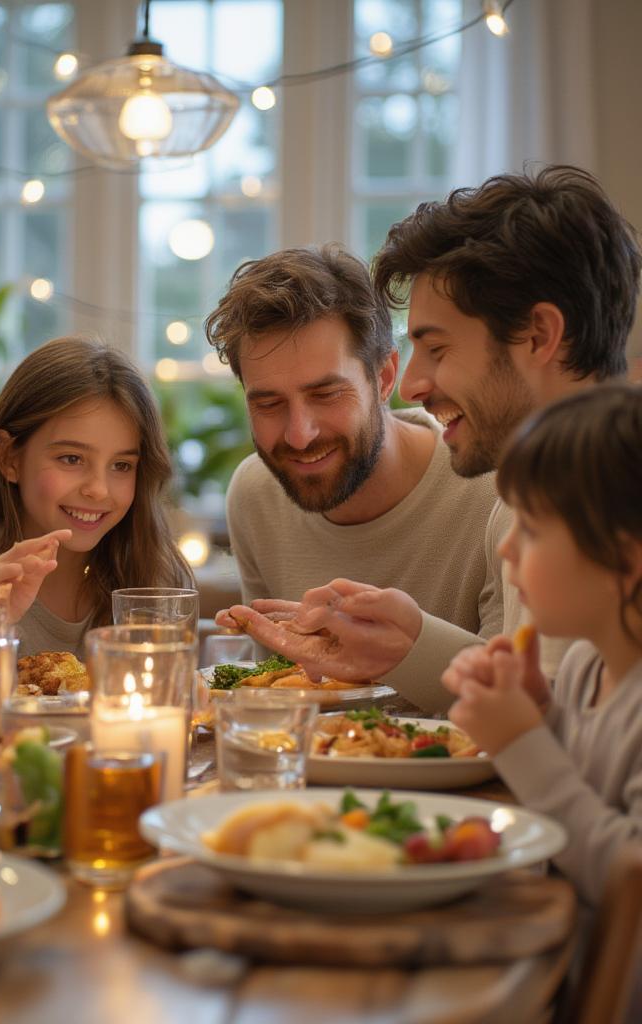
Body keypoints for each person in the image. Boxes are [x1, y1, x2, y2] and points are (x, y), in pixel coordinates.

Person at [224, 166, 641, 707]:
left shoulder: (574, 503)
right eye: (269, 402)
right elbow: (558, 735)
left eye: (438, 348)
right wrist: (409, 645)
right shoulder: (534, 500)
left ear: (539, 336)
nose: (414, 385)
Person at [206, 246, 501, 711]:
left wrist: (406, 650)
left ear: (384, 378)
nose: (299, 435)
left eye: (326, 394)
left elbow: (531, 705)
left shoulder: (492, 489)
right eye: (268, 404)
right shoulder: (255, 493)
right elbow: (283, 696)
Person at [442, 383, 642, 909]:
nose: (506, 546)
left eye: (528, 528)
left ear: (623, 561)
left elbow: (628, 876)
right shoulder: (583, 667)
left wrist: (521, 743)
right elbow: (588, 789)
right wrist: (542, 715)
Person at [0, 336, 193, 658]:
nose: (98, 489)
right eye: (71, 459)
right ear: (9, 458)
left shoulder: (158, 574)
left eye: (122, 465)